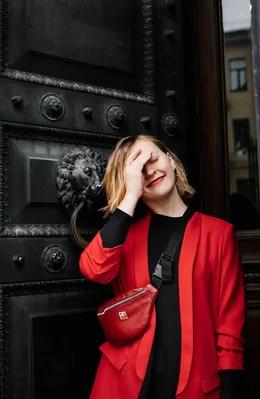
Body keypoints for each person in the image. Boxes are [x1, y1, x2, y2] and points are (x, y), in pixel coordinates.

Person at [80, 135, 246, 398]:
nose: (150, 171)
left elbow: (229, 327)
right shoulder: (125, 236)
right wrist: (131, 195)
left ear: (170, 159)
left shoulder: (218, 234)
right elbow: (94, 270)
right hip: (129, 383)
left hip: (193, 383)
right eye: (138, 170)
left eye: (152, 159)